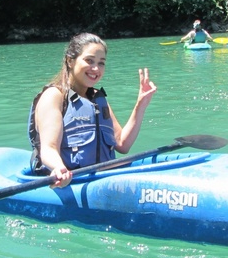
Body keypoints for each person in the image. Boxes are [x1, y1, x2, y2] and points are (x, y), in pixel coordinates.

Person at [28, 32, 157, 188]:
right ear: (70, 61)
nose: (96, 68)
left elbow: (123, 144)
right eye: (89, 61)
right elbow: (49, 148)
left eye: (101, 63)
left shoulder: (97, 99)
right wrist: (58, 168)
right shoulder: (54, 97)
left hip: (105, 180)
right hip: (71, 182)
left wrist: (141, 104)